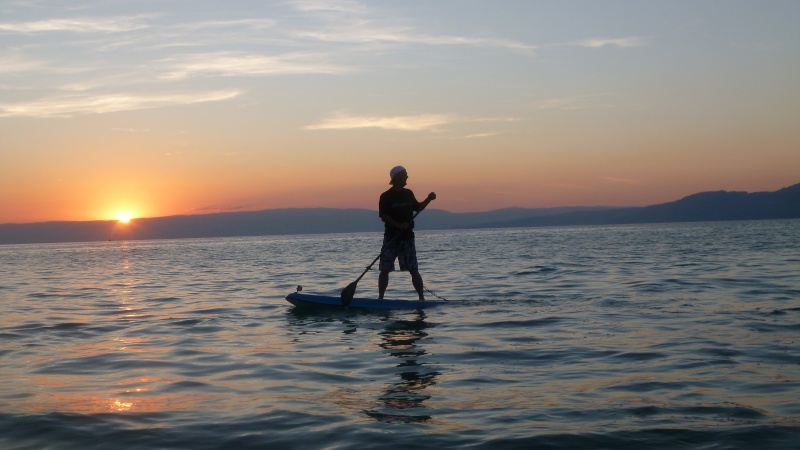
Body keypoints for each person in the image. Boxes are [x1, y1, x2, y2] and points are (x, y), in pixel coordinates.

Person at [378, 165, 436, 300]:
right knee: (384, 269)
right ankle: (380, 299)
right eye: (405, 175)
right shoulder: (386, 196)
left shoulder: (408, 193)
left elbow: (418, 207)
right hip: (391, 238)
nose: (407, 177)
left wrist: (428, 199)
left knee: (413, 269)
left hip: (407, 238)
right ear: (397, 177)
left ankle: (421, 298)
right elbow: (384, 216)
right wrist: (399, 225)